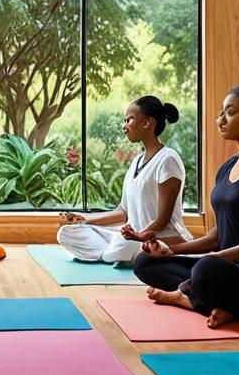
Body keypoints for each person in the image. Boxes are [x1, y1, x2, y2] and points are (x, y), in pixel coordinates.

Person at [133, 85, 239, 328]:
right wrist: (173, 250)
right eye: (221, 112)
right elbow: (218, 234)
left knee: (207, 270)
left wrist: (213, 257)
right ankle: (218, 303)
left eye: (230, 113)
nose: (219, 119)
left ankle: (190, 299)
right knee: (145, 262)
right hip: (226, 269)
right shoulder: (226, 169)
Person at [56, 95, 192, 264]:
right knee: (67, 232)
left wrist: (137, 236)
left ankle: (117, 253)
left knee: (116, 249)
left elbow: (162, 221)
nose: (124, 126)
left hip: (160, 238)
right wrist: (84, 219)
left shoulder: (168, 159)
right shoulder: (137, 161)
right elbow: (123, 212)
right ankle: (120, 252)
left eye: (129, 120)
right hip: (132, 236)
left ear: (147, 123)